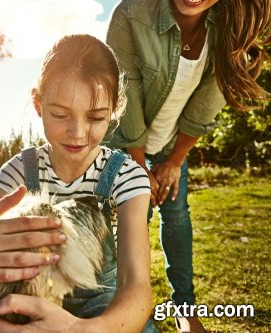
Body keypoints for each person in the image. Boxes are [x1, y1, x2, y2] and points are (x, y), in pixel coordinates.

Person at [0, 34, 158, 333]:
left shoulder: (127, 176)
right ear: (38, 104)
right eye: (60, 114)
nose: (77, 132)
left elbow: (136, 287)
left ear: (114, 110)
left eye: (96, 117)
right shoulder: (16, 174)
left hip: (102, 301)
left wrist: (81, 330)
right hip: (29, 290)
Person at [106, 0, 269, 332]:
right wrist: (139, 168)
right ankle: (124, 306)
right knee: (134, 215)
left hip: (171, 142)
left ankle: (184, 309)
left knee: (177, 212)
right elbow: (126, 98)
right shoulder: (131, 15)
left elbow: (205, 107)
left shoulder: (231, 30)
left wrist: (175, 162)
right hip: (125, 141)